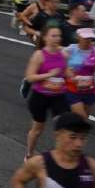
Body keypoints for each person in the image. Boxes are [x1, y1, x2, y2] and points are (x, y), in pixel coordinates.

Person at [24, 25, 73, 158]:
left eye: (59, 36)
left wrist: (73, 75)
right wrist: (48, 75)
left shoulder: (64, 53)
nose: (57, 38)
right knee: (37, 129)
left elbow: (67, 72)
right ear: (45, 37)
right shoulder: (39, 55)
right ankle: (29, 153)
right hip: (40, 96)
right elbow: (29, 77)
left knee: (63, 127)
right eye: (53, 35)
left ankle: (59, 156)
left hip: (59, 96)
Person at [64, 28, 95, 120]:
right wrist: (67, 70)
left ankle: (72, 128)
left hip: (89, 90)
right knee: (82, 117)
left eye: (90, 38)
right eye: (85, 37)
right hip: (72, 89)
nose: (88, 40)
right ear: (79, 37)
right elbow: (59, 61)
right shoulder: (71, 49)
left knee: (85, 118)